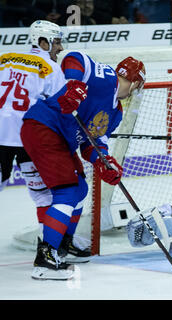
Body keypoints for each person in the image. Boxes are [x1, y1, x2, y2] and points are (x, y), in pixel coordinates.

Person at [20, 52, 146, 280]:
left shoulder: (116, 112)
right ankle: (45, 260)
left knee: (80, 189)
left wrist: (106, 164)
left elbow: (92, 145)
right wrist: (72, 85)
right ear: (136, 82)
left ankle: (62, 247)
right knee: (67, 191)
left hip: (59, 139)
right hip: (43, 127)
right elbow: (74, 57)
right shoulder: (107, 78)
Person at [0, 20, 64, 238]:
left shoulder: (4, 59)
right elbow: (60, 108)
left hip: (1, 136)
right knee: (43, 195)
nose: (60, 48)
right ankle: (48, 247)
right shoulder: (52, 68)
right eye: (57, 42)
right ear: (43, 42)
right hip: (29, 139)